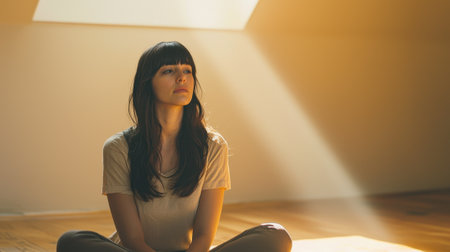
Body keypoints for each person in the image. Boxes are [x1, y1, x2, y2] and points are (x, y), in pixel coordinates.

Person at [57, 41, 292, 252]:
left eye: (187, 71)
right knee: (72, 240)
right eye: (169, 71)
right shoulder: (118, 147)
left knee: (276, 236)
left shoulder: (213, 145)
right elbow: (132, 239)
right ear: (147, 83)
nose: (182, 78)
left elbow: (203, 235)